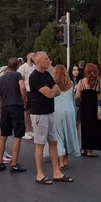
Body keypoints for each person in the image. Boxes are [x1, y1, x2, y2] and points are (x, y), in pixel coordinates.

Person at [30, 51, 71, 184]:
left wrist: (53, 91)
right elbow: (49, 93)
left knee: (53, 142)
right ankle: (40, 174)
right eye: (46, 59)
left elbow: (57, 89)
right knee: (40, 144)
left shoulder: (47, 74)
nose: (49, 61)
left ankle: (56, 172)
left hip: (49, 112)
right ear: (40, 61)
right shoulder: (35, 77)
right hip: (39, 114)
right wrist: (53, 91)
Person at [0, 57, 26, 172]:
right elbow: (22, 87)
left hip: (5, 108)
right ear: (17, 66)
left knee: (3, 135)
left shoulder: (0, 80)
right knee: (18, 136)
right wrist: (24, 100)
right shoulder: (17, 75)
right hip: (16, 106)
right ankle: (14, 164)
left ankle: (0, 162)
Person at [76, 63, 101, 158]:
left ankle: (84, 148)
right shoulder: (98, 82)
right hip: (95, 107)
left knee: (85, 128)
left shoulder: (81, 82)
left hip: (84, 107)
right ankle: (90, 150)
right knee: (94, 128)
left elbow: (77, 96)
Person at [53, 63, 79, 170]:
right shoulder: (71, 84)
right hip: (70, 110)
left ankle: (61, 161)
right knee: (68, 135)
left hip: (57, 110)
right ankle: (66, 160)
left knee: (59, 136)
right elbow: (73, 98)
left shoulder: (53, 84)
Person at [18, 52, 36, 140]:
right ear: (28, 57)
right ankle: (26, 131)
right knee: (26, 112)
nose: (34, 57)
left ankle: (30, 130)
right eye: (33, 56)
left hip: (34, 91)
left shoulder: (35, 67)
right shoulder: (22, 68)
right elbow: (21, 81)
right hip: (27, 91)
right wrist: (23, 94)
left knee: (33, 112)